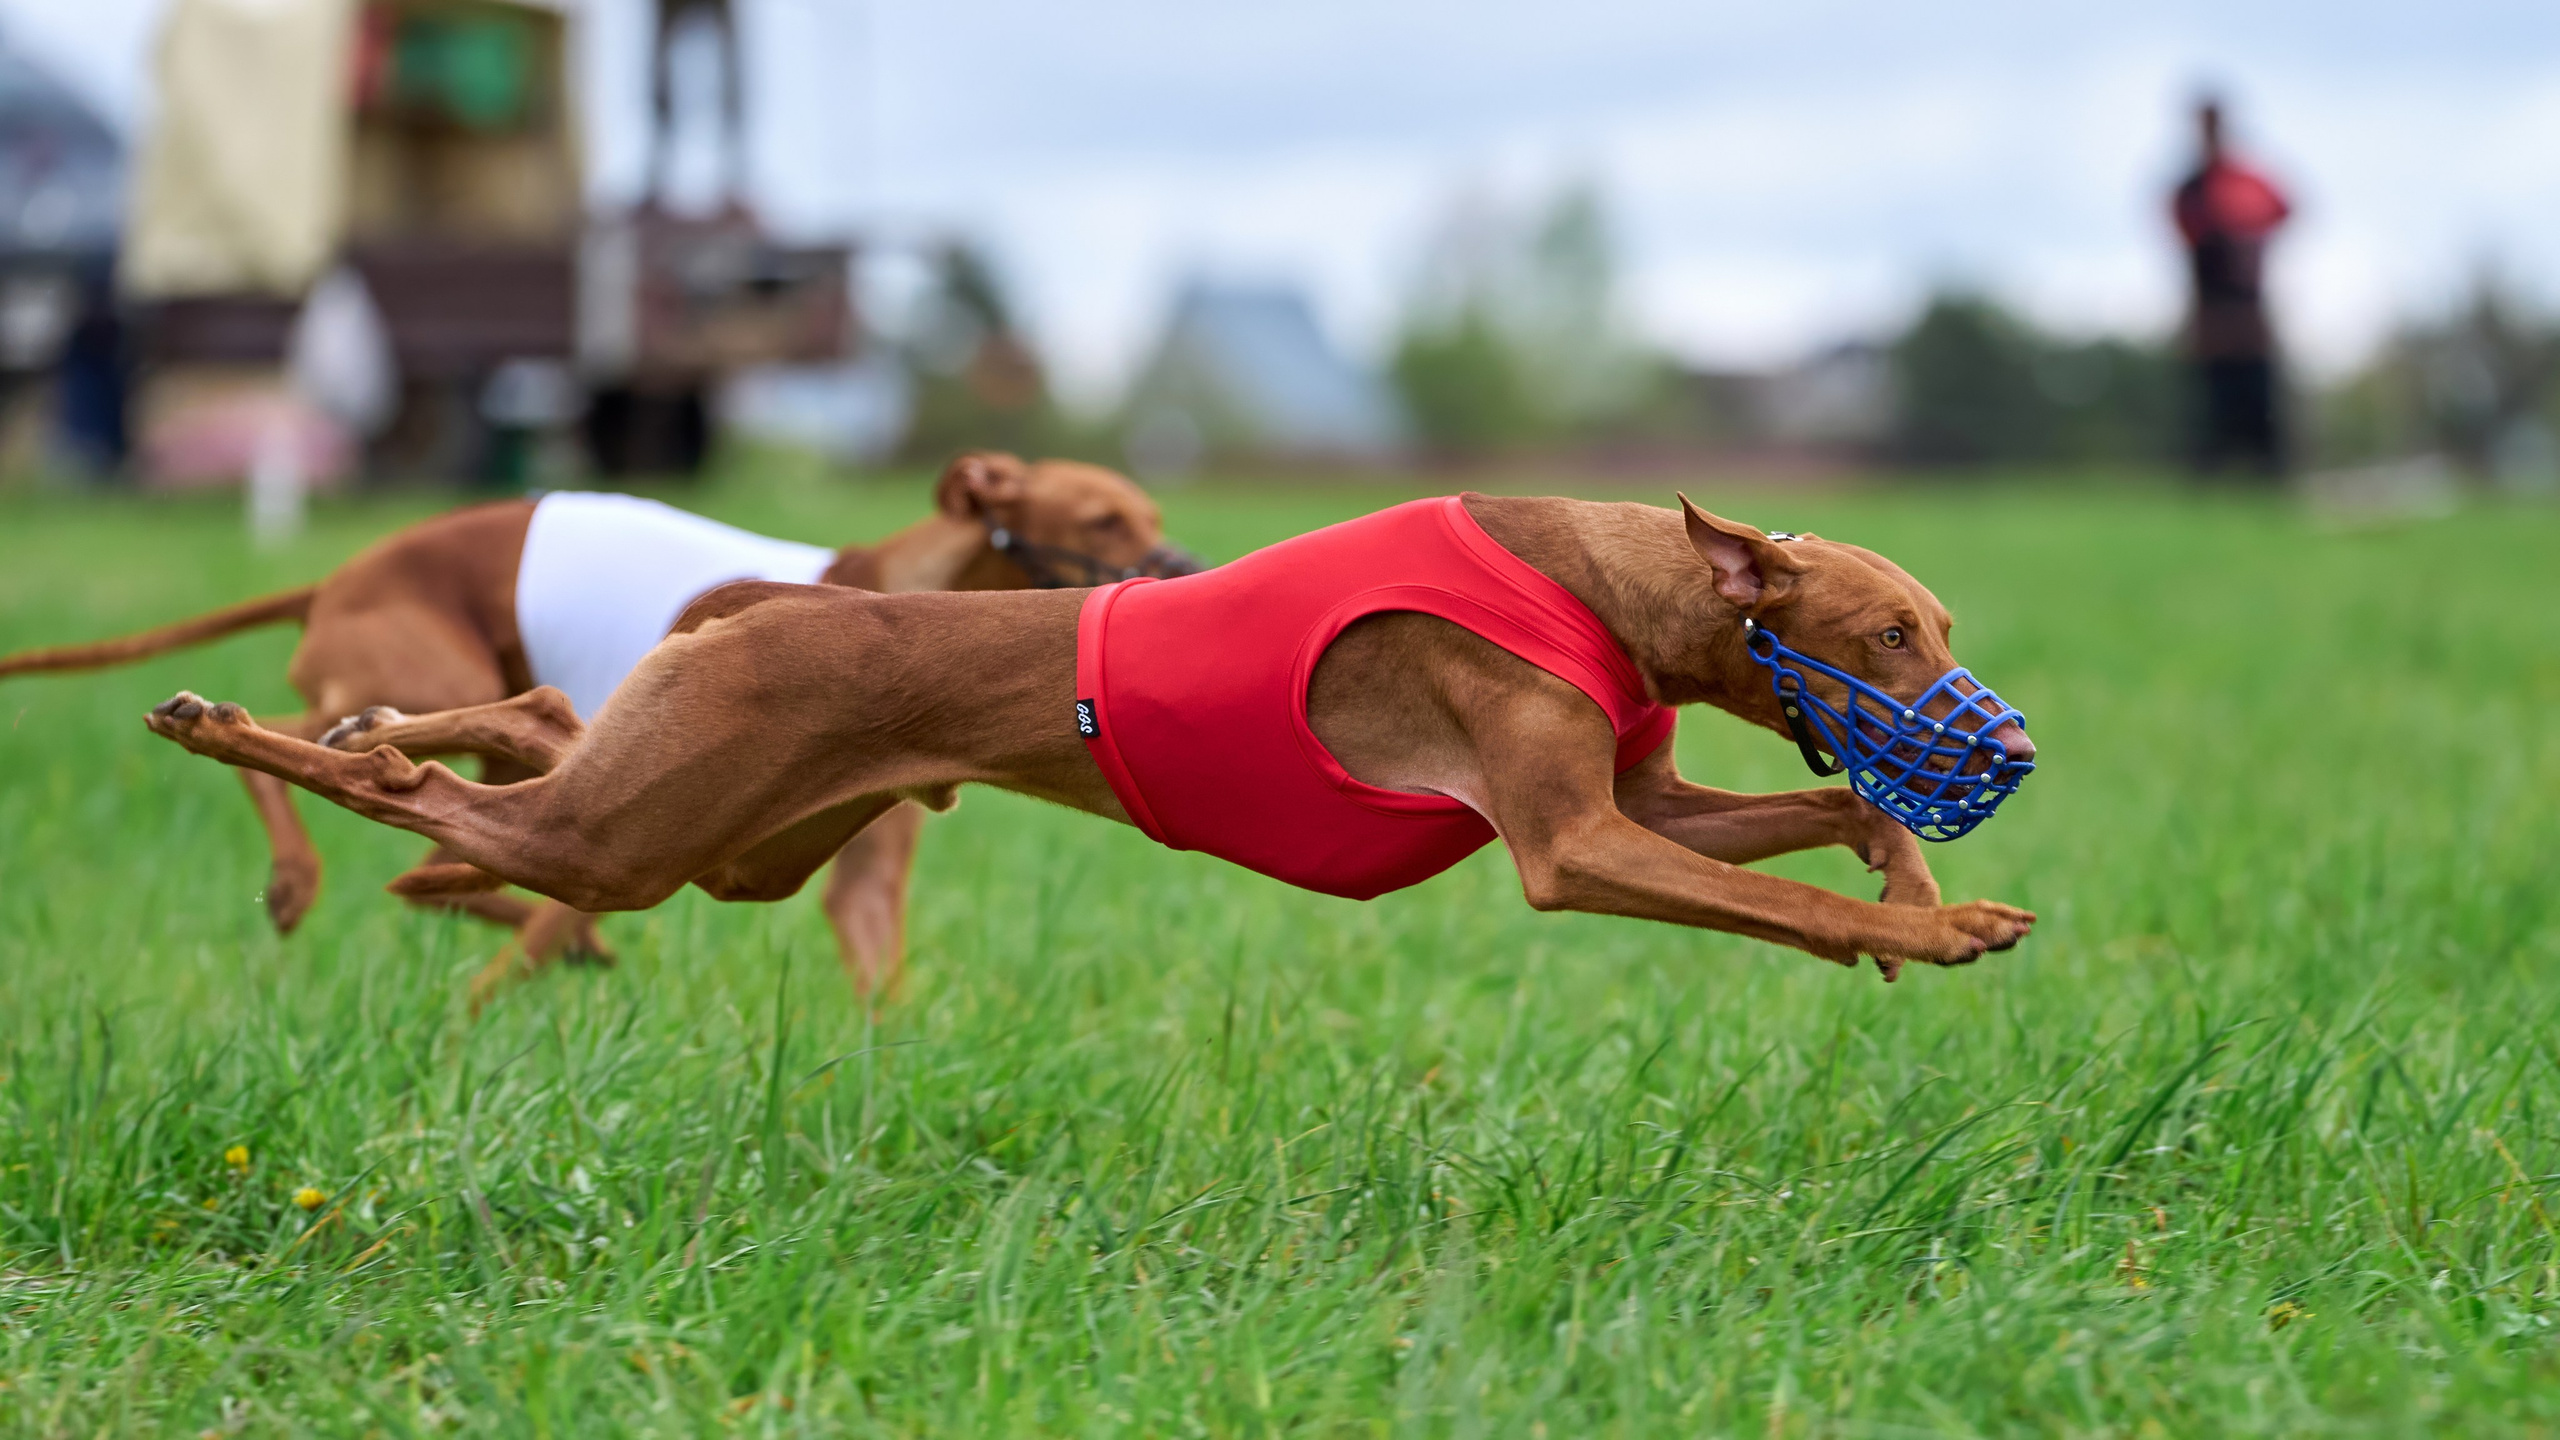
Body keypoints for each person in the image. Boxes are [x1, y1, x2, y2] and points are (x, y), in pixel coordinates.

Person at [2171, 97, 2292, 477]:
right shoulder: (2189, 188)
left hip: (2247, 302)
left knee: (2257, 389)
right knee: (2211, 395)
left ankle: (2268, 471)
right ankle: (2211, 473)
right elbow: (2185, 236)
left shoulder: (2245, 180)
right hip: (2209, 303)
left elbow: (2284, 208)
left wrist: (2246, 234)